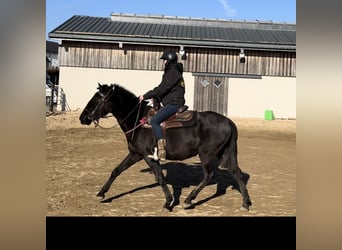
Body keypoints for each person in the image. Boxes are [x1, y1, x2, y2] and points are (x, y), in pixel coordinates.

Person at [139, 50, 185, 161]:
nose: (163, 62)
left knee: (154, 120)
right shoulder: (172, 71)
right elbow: (164, 90)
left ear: (169, 60)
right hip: (172, 101)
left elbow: (162, 88)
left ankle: (162, 151)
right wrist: (156, 97)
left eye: (164, 60)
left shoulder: (172, 72)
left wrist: (145, 96)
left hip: (174, 103)